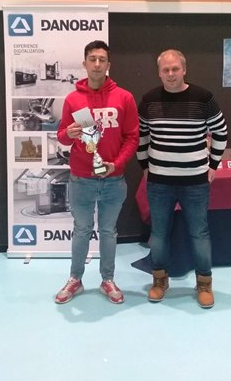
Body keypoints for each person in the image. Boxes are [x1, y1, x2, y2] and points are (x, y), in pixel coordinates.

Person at [137, 49, 228, 308]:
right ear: (159, 73)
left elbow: (221, 132)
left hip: (195, 182)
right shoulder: (149, 100)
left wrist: (213, 165)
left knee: (200, 233)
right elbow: (142, 136)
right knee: (159, 234)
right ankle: (159, 281)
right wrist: (145, 166)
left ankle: (204, 284)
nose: (171, 74)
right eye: (165, 70)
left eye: (175, 68)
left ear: (184, 69)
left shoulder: (204, 99)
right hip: (159, 182)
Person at [54, 40, 139, 304]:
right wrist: (68, 133)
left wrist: (118, 163)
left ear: (108, 64)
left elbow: (132, 137)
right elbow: (62, 135)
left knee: (108, 231)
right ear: (85, 63)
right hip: (81, 178)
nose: (97, 64)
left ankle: (107, 279)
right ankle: (75, 279)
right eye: (93, 59)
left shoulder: (124, 97)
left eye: (102, 60)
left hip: (113, 179)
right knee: (81, 229)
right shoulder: (73, 99)